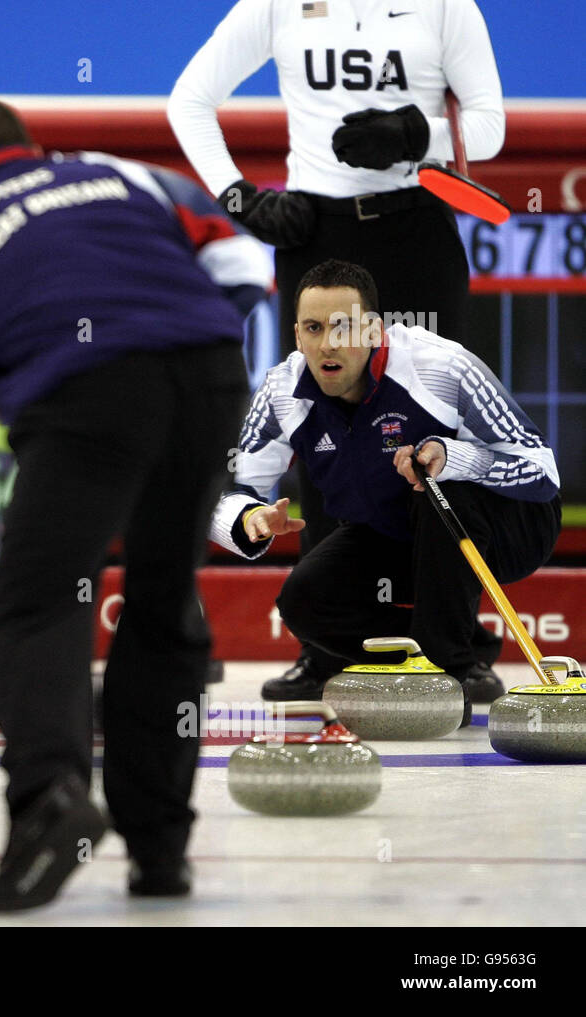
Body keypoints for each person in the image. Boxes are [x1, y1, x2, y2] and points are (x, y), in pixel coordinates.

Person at [0, 98, 271, 912]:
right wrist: (185, 335)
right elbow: (246, 262)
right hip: (208, 373)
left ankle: (51, 804)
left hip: (87, 396)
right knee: (162, 597)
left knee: (37, 606)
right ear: (32, 147)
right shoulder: (125, 174)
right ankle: (160, 849)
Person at [168, 0, 507, 703]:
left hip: (415, 226)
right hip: (314, 232)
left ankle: (460, 649)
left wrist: (418, 134)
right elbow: (189, 100)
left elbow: (491, 126)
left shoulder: (447, 5)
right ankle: (325, 653)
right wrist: (239, 198)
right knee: (320, 436)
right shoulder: (274, 5)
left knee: (441, 433)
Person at [212, 259, 559, 715]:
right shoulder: (282, 392)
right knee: (305, 600)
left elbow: (542, 472)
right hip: (401, 534)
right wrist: (249, 517)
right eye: (313, 328)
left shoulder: (441, 366)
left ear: (375, 330)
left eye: (344, 328)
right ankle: (426, 654)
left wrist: (451, 457)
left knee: (441, 492)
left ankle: (448, 674)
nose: (327, 344)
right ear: (297, 336)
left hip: (510, 527)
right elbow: (226, 493)